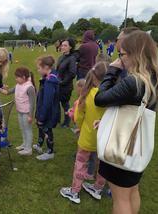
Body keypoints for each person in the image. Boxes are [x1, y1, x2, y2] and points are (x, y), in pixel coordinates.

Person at [95, 31, 158, 214]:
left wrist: (112, 71)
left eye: (122, 54)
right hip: (136, 148)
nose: (120, 59)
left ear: (134, 54)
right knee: (132, 191)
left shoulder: (134, 82)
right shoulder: (153, 79)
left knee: (120, 197)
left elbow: (100, 98)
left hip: (120, 150)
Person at [60, 61, 108, 204]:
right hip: (104, 138)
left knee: (80, 163)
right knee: (102, 165)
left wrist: (80, 125)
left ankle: (74, 192)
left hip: (87, 138)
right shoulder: (113, 95)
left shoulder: (87, 96)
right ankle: (98, 188)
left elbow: (78, 117)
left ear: (93, 77)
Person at [0, 67, 36, 155]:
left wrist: (30, 116)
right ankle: (24, 144)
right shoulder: (18, 85)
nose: (15, 79)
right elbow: (7, 92)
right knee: (22, 128)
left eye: (17, 77)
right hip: (20, 111)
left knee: (27, 130)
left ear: (23, 77)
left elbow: (32, 103)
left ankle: (28, 149)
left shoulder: (30, 88)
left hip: (27, 113)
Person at [33, 56, 60, 161]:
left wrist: (41, 117)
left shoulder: (50, 81)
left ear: (46, 67)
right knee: (43, 129)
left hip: (48, 113)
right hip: (48, 111)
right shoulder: (49, 77)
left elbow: (47, 102)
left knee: (47, 130)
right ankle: (40, 144)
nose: (38, 70)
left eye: (39, 68)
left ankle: (50, 151)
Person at [56, 38, 77, 128]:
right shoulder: (61, 57)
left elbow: (72, 73)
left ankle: (67, 122)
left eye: (65, 45)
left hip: (66, 86)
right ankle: (57, 120)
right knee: (56, 103)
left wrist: (63, 82)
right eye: (62, 45)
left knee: (65, 104)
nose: (62, 47)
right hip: (58, 85)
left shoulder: (72, 58)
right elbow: (58, 70)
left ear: (70, 47)